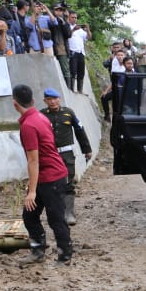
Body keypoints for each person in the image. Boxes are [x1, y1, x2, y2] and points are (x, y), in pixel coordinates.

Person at [12, 84, 72, 265]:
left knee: (56, 219)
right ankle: (37, 252)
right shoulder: (40, 117)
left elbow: (34, 160)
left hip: (51, 177)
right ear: (33, 100)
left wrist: (32, 191)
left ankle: (65, 256)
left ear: (15, 103)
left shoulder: (29, 126)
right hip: (47, 176)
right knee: (29, 216)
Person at [42, 87, 92, 226]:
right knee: (52, 184)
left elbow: (79, 130)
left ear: (59, 99)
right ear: (45, 101)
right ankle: (57, 212)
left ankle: (69, 213)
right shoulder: (42, 115)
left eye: (55, 99)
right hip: (50, 154)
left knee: (68, 182)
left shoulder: (68, 113)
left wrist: (86, 149)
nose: (52, 102)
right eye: (49, 99)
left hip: (67, 154)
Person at [50, 4, 72, 89]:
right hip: (51, 48)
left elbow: (69, 34)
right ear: (53, 10)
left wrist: (64, 21)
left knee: (65, 70)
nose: (59, 12)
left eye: (60, 10)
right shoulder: (50, 19)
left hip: (62, 49)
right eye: (57, 10)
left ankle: (68, 90)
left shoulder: (64, 21)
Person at [69, 20, 87, 92]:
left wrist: (88, 29)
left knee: (81, 72)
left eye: (75, 17)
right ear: (69, 17)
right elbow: (67, 35)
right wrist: (73, 29)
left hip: (81, 52)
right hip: (73, 51)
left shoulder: (81, 30)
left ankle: (80, 90)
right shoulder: (68, 26)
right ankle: (71, 89)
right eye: (72, 17)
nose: (74, 19)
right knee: (73, 71)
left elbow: (88, 37)